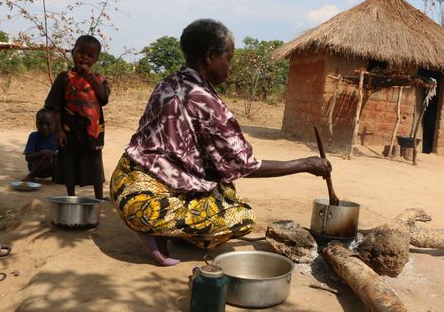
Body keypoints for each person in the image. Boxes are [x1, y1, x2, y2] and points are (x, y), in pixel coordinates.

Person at [109, 19, 331, 266]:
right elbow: (245, 166)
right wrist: (307, 164)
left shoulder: (168, 83)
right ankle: (154, 229)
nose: (230, 67)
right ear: (210, 56)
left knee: (224, 188)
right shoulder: (205, 101)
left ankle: (169, 229)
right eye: (229, 58)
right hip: (142, 201)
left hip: (123, 180)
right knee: (242, 217)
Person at [45, 35, 110, 200]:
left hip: (92, 133)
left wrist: (90, 76)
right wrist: (59, 131)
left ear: (96, 59)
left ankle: (99, 198)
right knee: (69, 164)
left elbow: (103, 98)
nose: (85, 58)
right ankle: (71, 197)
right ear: (73, 52)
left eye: (90, 56)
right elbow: (55, 107)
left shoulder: (99, 79)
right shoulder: (64, 78)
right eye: (81, 53)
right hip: (69, 131)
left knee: (95, 165)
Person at [22, 108, 58, 182]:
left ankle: (57, 177)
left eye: (48, 124)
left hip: (53, 168)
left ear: (55, 124)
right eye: (41, 124)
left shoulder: (58, 136)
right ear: (36, 124)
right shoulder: (34, 136)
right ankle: (32, 175)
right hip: (35, 167)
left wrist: (54, 154)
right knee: (45, 157)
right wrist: (42, 153)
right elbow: (28, 157)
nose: (44, 127)